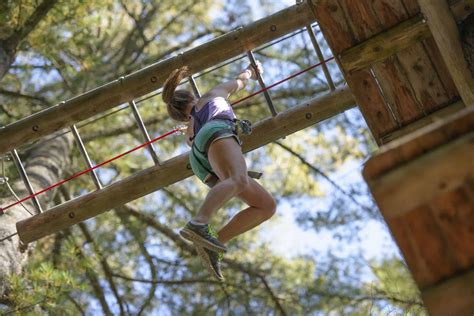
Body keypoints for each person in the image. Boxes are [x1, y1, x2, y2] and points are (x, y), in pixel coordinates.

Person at [162, 62, 276, 280]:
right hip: (216, 132)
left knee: (266, 206)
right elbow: (239, 81)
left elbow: (193, 135)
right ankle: (199, 222)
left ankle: (215, 242)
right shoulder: (212, 95)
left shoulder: (189, 130)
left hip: (200, 155)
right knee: (238, 179)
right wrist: (251, 71)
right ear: (191, 98)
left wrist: (188, 128)